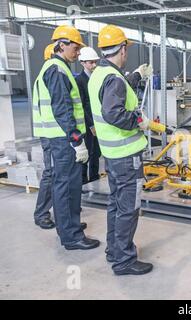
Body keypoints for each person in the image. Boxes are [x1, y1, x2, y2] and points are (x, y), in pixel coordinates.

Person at [88, 25, 166, 276]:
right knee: (129, 208)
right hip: (125, 156)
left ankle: (114, 250)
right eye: (126, 49)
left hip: (111, 154)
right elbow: (113, 112)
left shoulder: (100, 74)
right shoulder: (112, 78)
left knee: (115, 204)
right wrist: (139, 120)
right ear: (122, 48)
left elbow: (115, 89)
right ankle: (123, 260)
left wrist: (136, 75)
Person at [34, 25, 99, 250]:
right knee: (67, 186)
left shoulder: (58, 68)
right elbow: (62, 109)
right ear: (61, 45)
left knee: (68, 185)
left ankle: (69, 226)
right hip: (63, 140)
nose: (78, 52)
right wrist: (76, 140)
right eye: (75, 46)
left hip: (61, 139)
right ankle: (71, 237)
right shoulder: (57, 70)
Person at [32, 44, 55, 230]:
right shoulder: (50, 73)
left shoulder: (45, 73)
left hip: (51, 133)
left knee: (56, 173)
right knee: (51, 173)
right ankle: (41, 213)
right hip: (50, 134)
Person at [75, 47, 101, 184]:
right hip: (87, 124)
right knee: (87, 153)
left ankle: (95, 178)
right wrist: (91, 124)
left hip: (98, 121)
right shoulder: (79, 80)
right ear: (83, 63)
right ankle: (83, 182)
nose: (94, 65)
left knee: (96, 152)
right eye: (91, 62)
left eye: (95, 62)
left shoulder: (97, 79)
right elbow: (81, 105)